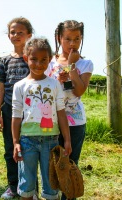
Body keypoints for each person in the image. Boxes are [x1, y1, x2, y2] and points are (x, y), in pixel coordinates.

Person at [12, 38, 72, 200]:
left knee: (51, 184)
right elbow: (16, 116)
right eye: (34, 59)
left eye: (44, 60)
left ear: (50, 59)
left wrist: (66, 140)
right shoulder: (20, 86)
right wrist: (16, 142)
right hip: (27, 142)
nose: (39, 64)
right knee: (26, 184)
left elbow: (61, 113)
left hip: (51, 142)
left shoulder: (54, 84)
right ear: (26, 58)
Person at [45, 20, 94, 200]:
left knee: (70, 162)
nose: (72, 43)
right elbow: (46, 90)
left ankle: (68, 196)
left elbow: (79, 90)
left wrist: (72, 68)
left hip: (75, 122)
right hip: (51, 119)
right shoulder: (49, 61)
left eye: (77, 39)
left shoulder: (86, 63)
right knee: (51, 161)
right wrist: (58, 80)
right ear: (59, 38)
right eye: (68, 39)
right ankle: (51, 195)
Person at [0, 17, 35, 199]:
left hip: (29, 110)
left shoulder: (33, 58)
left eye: (20, 32)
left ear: (29, 35)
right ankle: (13, 185)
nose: (16, 35)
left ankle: (31, 187)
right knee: (10, 147)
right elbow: (2, 87)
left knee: (30, 148)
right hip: (9, 109)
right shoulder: (5, 60)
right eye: (12, 32)